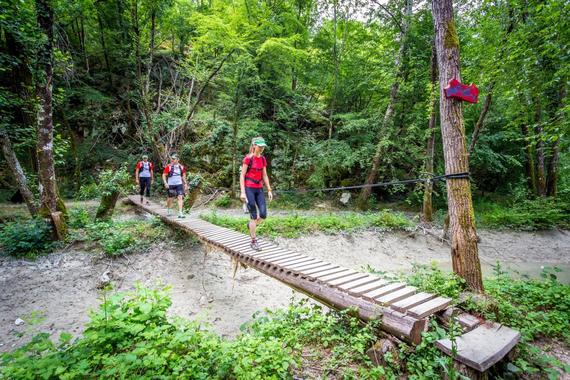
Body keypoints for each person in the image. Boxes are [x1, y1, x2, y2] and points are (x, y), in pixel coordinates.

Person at [240, 137, 273, 251]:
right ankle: (254, 241)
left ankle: (251, 226)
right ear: (254, 145)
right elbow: (242, 175)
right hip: (249, 189)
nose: (262, 148)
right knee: (253, 215)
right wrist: (243, 192)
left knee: (263, 214)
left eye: (263, 146)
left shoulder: (263, 159)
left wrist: (269, 189)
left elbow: (264, 175)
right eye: (260, 146)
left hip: (259, 189)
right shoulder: (248, 159)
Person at [162, 153, 188, 218]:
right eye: (172, 159)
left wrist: (185, 184)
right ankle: (169, 209)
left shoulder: (181, 167)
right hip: (171, 185)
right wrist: (165, 183)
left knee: (180, 197)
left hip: (179, 184)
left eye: (174, 159)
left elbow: (183, 176)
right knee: (170, 198)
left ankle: (180, 212)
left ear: (178, 159)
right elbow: (164, 175)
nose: (172, 160)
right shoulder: (169, 166)